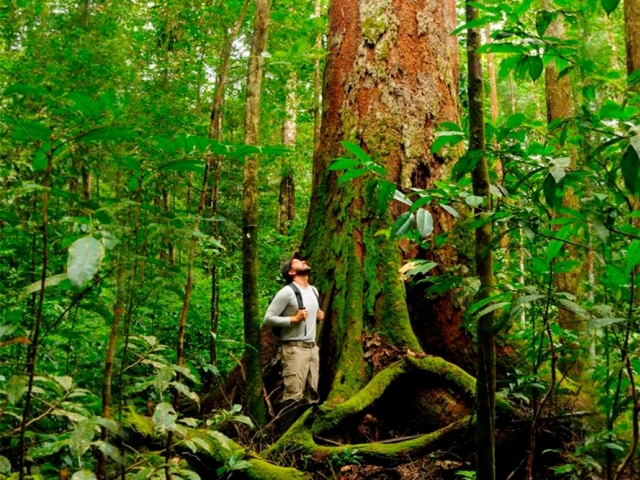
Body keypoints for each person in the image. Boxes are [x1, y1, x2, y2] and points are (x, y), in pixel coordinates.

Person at [263, 252, 325, 413]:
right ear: (291, 272)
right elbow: (268, 318)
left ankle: (303, 434)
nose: (303, 261)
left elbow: (311, 317)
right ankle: (286, 436)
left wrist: (319, 317)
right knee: (293, 395)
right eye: (298, 261)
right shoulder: (287, 292)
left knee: (312, 395)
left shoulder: (313, 290)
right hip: (294, 349)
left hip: (312, 349)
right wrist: (293, 319)